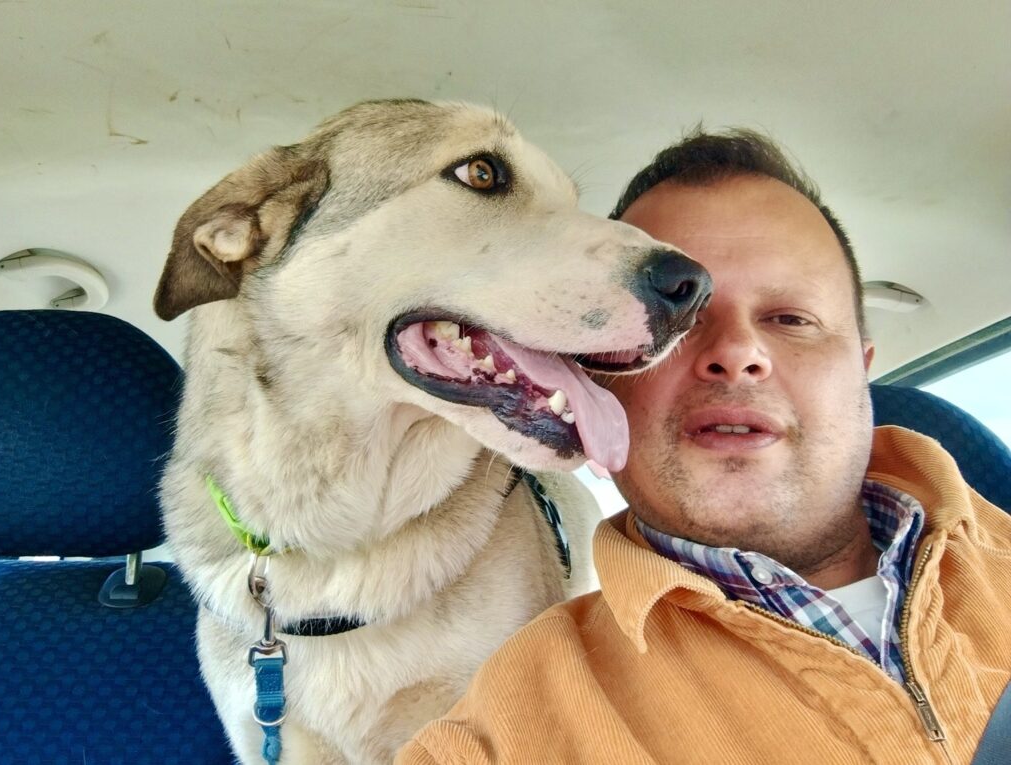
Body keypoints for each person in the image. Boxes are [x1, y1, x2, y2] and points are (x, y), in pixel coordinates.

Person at [396, 129, 1011, 764]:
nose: (738, 353)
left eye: (791, 319)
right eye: (679, 318)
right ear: (599, 384)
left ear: (861, 366)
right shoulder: (502, 736)